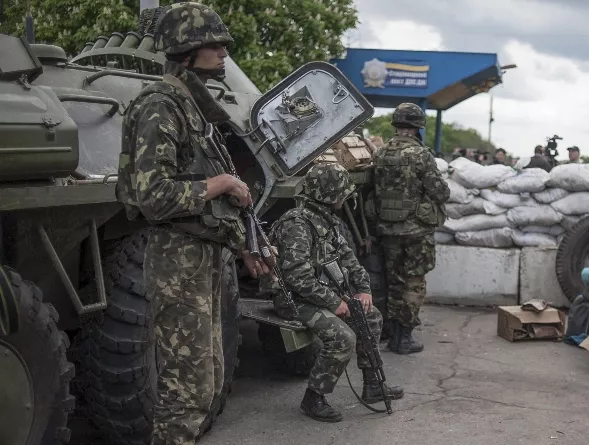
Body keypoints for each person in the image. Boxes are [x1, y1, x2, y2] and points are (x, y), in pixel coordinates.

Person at [115, 3, 272, 444]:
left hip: (203, 254)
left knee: (208, 379)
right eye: (213, 44)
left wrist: (242, 240)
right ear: (186, 50)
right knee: (186, 389)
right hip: (177, 257)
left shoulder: (193, 105)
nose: (223, 51)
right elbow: (154, 196)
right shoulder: (161, 105)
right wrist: (220, 182)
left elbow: (203, 200)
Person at [269, 163, 404, 422]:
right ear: (329, 194)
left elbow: (349, 260)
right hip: (293, 299)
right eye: (342, 193)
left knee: (371, 316)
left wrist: (363, 290)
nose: (345, 198)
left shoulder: (326, 221)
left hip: (317, 294)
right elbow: (296, 277)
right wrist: (333, 302)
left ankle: (373, 386)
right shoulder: (296, 224)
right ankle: (314, 398)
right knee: (343, 338)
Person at [372, 103, 450, 354]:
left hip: (387, 230)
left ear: (396, 124)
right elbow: (440, 192)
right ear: (417, 128)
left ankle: (392, 333)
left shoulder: (380, 153)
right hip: (416, 231)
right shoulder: (421, 155)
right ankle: (403, 337)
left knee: (394, 282)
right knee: (414, 283)